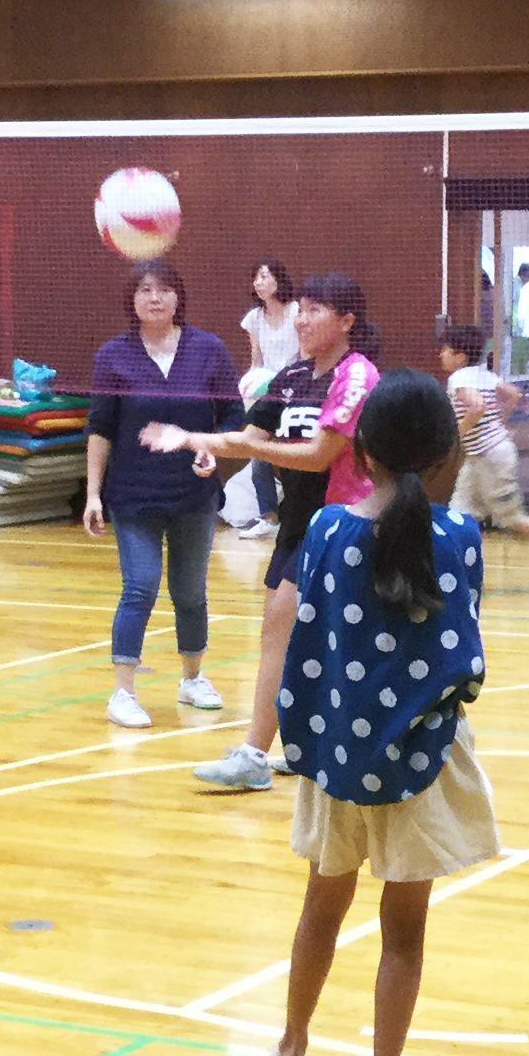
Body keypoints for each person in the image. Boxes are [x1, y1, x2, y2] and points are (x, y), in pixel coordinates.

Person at [267, 368, 498, 1056]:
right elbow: (463, 650)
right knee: (403, 934)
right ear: (446, 456)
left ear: (360, 452)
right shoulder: (458, 538)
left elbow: (310, 638)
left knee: (319, 907)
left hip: (336, 756)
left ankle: (291, 1044)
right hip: (418, 760)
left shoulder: (327, 531)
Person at [145, 271, 380, 793]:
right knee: (295, 639)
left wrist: (245, 448)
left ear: (346, 321)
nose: (302, 320)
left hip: (341, 525)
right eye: (300, 310)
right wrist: (197, 442)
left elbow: (319, 456)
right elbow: (248, 436)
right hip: (297, 525)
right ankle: (305, 746)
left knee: (293, 634)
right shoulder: (292, 375)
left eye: (315, 310)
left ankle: (255, 755)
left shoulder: (357, 376)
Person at [83, 259, 242, 729]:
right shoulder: (112, 356)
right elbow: (100, 428)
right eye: (145, 289)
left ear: (178, 297)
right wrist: (93, 494)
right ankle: (123, 692)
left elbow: (233, 416)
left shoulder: (209, 350)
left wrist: (211, 451)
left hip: (194, 495)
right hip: (133, 496)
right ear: (131, 300)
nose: (155, 297)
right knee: (141, 585)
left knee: (190, 591)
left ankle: (192, 679)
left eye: (164, 289)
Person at [435, 324, 529, 578]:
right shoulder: (485, 375)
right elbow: (513, 395)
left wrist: (456, 434)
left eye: (445, 350)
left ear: (460, 356)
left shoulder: (458, 378)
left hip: (491, 457)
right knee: (459, 514)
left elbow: (477, 407)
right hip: (480, 457)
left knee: (512, 518)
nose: (441, 355)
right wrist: (499, 423)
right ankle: (453, 569)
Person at [226, 258, 300, 535]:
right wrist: (248, 387)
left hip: (296, 392)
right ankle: (269, 518)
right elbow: (256, 361)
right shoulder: (254, 318)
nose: (259, 282)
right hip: (267, 395)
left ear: (279, 280)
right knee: (258, 454)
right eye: (256, 277)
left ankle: (297, 517)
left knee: (295, 457)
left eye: (265, 276)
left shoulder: (296, 312)